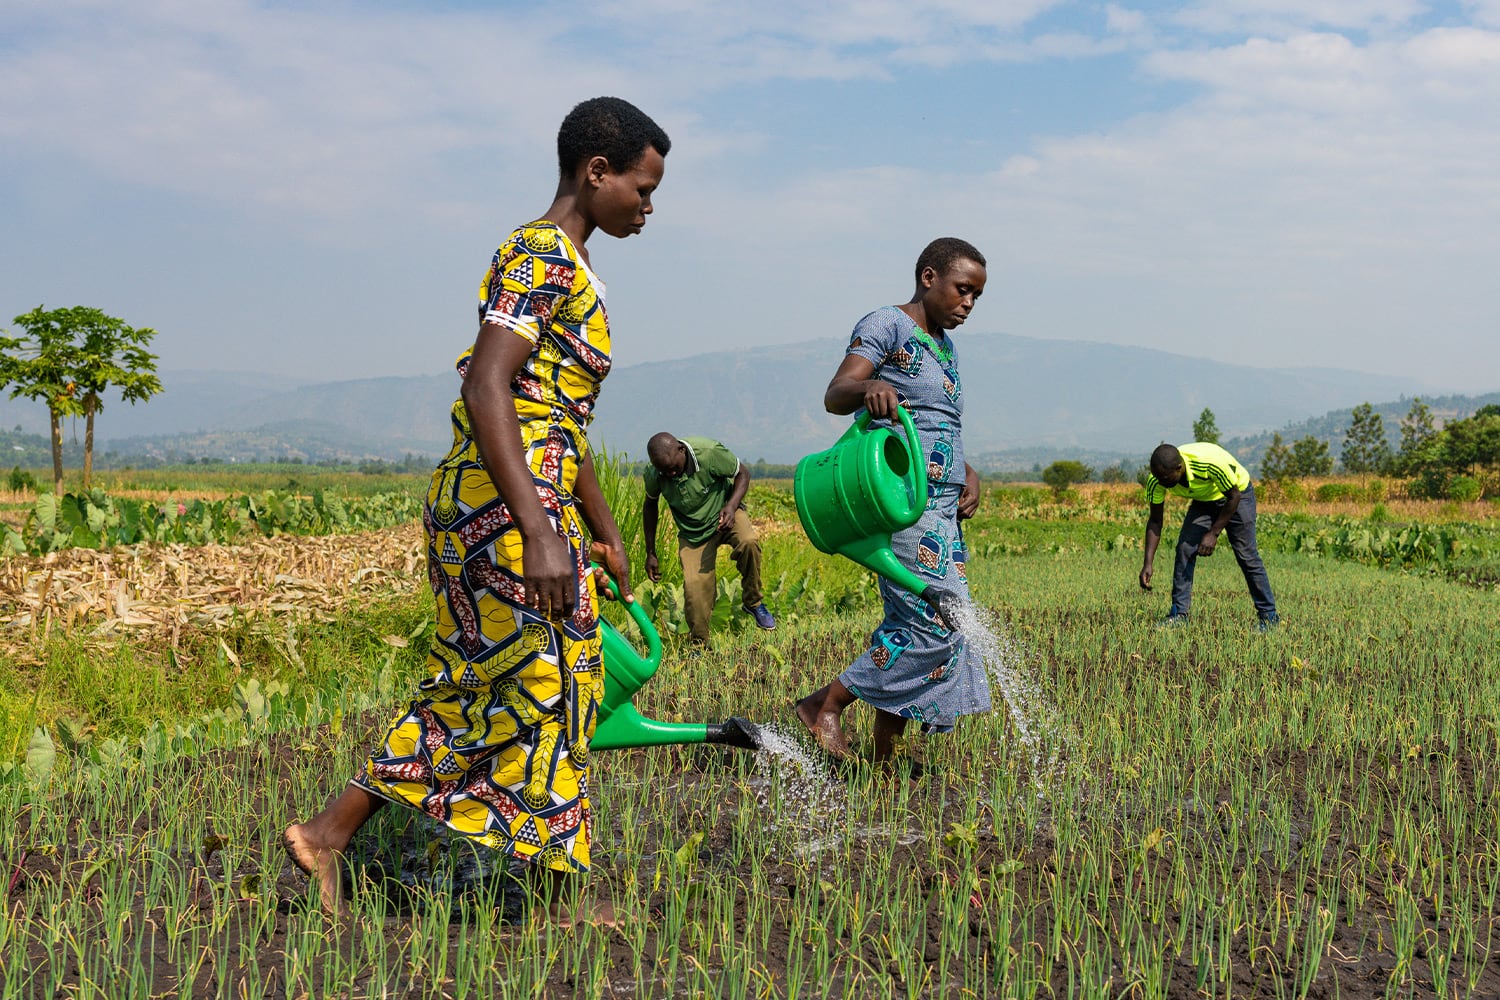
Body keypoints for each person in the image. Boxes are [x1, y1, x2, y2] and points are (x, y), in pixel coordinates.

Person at [283, 97, 670, 925]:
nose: (648, 205)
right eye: (641, 186)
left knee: (542, 682)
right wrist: (537, 529)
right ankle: (551, 898)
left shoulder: (572, 265)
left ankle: (330, 835)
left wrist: (599, 528)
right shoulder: (537, 255)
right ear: (595, 172)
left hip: (535, 502)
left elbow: (559, 420)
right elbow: (487, 383)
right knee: (535, 685)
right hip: (500, 511)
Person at [794, 238, 992, 764]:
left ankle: (887, 749)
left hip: (943, 510)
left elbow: (934, 422)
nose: (969, 303)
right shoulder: (888, 325)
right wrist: (870, 388)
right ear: (929, 277)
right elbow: (837, 392)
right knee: (931, 622)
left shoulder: (945, 345)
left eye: (977, 295)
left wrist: (966, 471)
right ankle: (825, 704)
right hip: (903, 504)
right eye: (963, 289)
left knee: (938, 622)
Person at [642, 433, 776, 644]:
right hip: (693, 533)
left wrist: (731, 506)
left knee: (748, 542)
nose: (670, 473)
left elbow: (743, 474)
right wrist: (650, 552)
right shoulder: (655, 474)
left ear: (681, 450)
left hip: (726, 515)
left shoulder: (709, 453)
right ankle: (699, 642)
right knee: (694, 589)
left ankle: (753, 602)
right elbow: (649, 506)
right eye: (664, 471)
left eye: (673, 467)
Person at [1138, 441, 1280, 630]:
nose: (1160, 482)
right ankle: (1179, 614)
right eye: (1157, 477)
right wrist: (1148, 563)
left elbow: (1233, 496)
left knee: (1246, 554)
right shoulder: (1156, 479)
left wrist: (1213, 533)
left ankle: (1269, 617)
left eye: (1164, 477)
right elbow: (1155, 521)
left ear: (1179, 468)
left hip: (1237, 494)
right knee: (1185, 549)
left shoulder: (1208, 464)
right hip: (1205, 500)